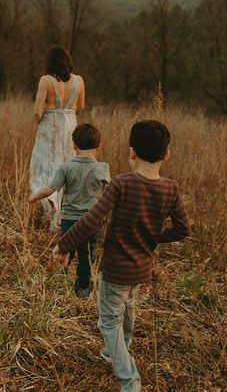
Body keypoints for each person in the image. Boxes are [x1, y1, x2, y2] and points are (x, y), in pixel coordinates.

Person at [52, 120, 191, 392]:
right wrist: (156, 237)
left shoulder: (121, 184)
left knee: (108, 321)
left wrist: (64, 244)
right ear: (166, 155)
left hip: (115, 268)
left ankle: (129, 379)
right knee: (127, 306)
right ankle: (119, 349)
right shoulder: (170, 189)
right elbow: (183, 228)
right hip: (141, 268)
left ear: (131, 152)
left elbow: (91, 221)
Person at [29, 122, 110, 297]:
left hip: (68, 219)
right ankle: (83, 288)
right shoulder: (102, 169)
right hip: (90, 222)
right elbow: (111, 194)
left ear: (74, 145)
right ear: (99, 146)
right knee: (86, 254)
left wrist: (35, 196)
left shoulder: (66, 168)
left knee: (67, 248)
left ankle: (62, 274)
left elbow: (50, 189)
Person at [29, 46, 85, 230]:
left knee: (45, 167)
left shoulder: (45, 80)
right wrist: (67, 115)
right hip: (70, 124)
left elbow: (37, 110)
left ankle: (50, 208)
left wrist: (43, 122)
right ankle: (65, 215)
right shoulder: (79, 81)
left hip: (49, 125)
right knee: (67, 167)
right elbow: (81, 106)